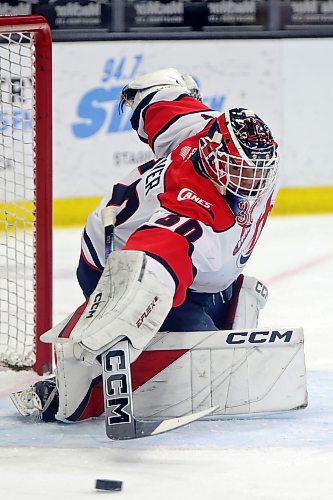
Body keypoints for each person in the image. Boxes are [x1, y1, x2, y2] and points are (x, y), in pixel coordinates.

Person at [11, 68, 279, 424]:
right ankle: (67, 384)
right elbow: (153, 258)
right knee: (198, 359)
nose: (252, 181)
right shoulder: (190, 210)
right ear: (214, 158)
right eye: (240, 170)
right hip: (117, 259)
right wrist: (127, 318)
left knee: (234, 302)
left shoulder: (201, 128)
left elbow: (159, 99)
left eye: (257, 171)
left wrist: (159, 85)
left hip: (178, 263)